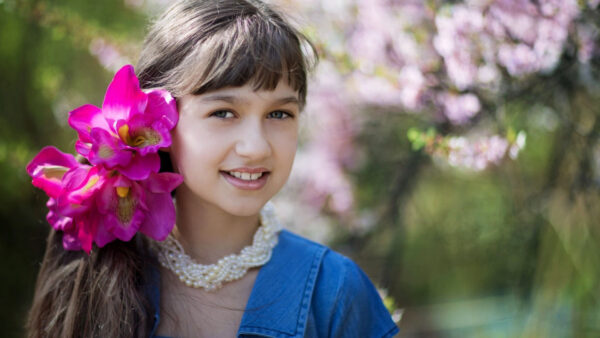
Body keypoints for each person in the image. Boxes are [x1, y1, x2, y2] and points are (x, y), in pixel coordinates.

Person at [26, 0, 400, 337]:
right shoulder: (93, 274)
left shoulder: (333, 292)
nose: (255, 148)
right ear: (159, 124)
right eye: (223, 112)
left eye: (279, 113)